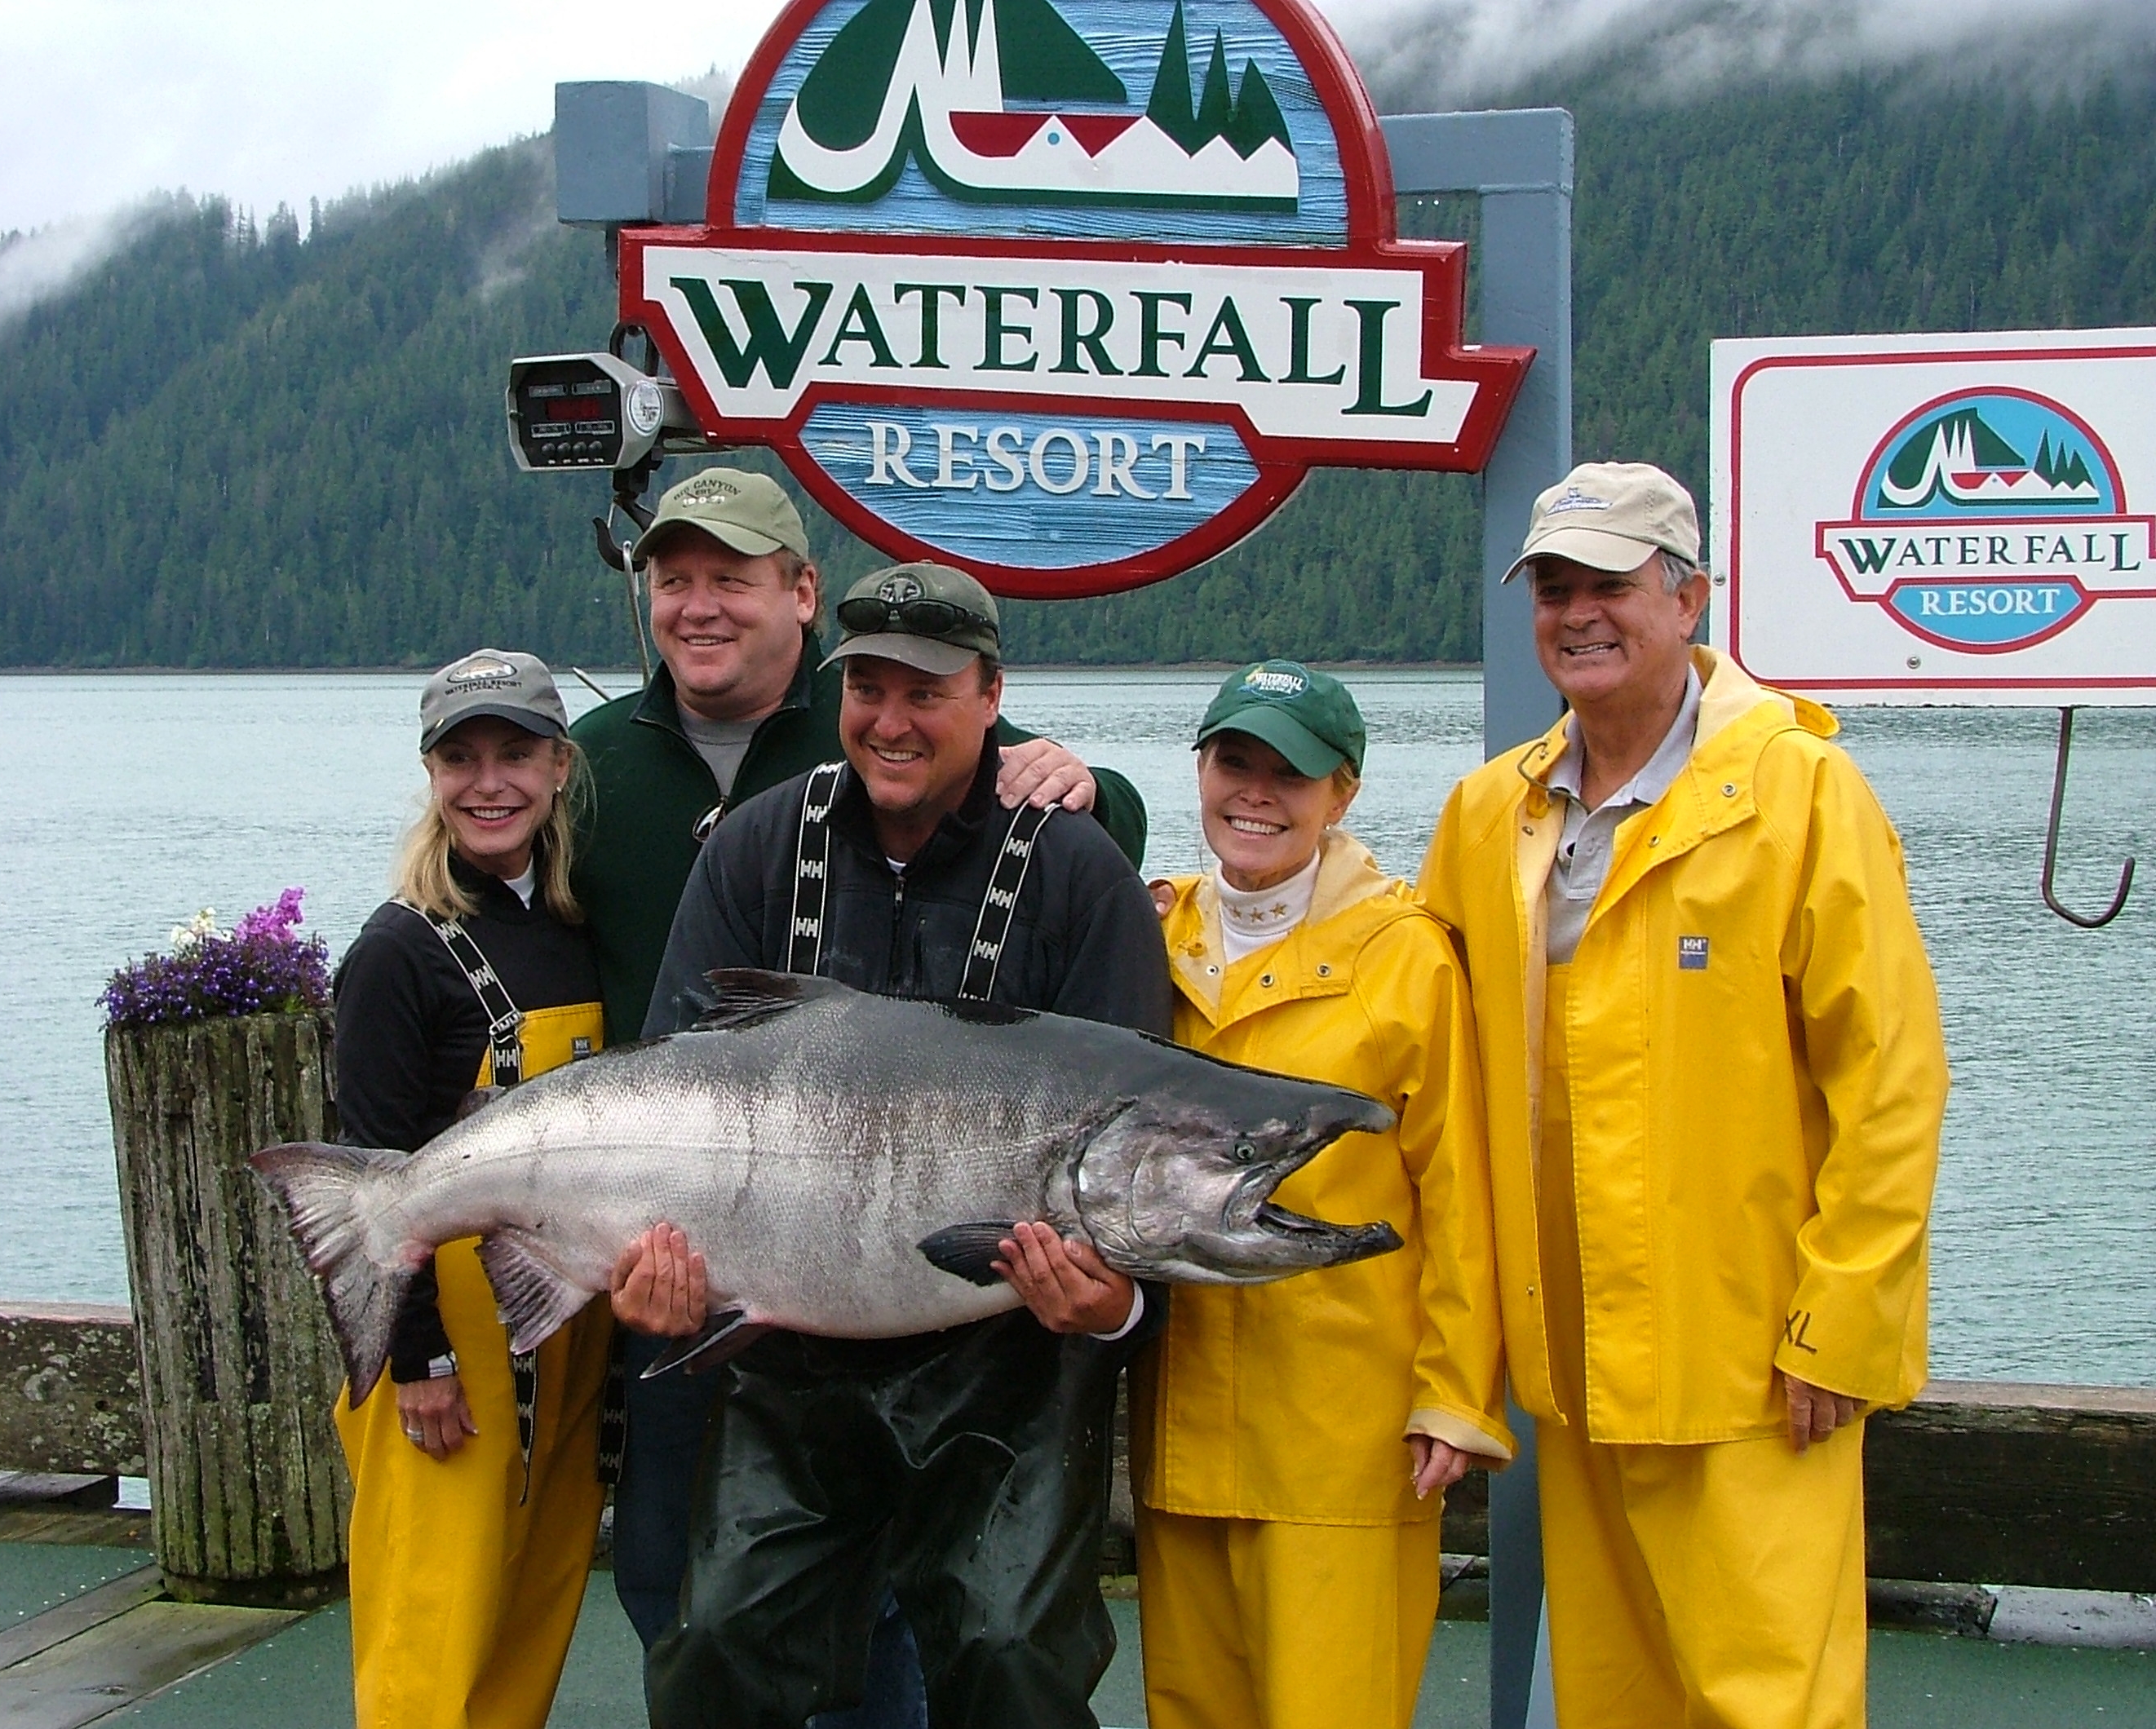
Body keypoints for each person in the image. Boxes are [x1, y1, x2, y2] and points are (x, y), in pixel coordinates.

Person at [566, 467, 1149, 1699]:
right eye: (870, 688)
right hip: (784, 1363)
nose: (892, 720)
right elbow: (674, 1080)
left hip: (1010, 1364)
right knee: (712, 1647)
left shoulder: (1079, 871)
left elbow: (1137, 1144)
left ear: (992, 698)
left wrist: (1115, 1303)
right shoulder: (755, 847)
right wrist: (656, 1270)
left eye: (927, 693)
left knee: (1006, 1654)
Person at [1417, 462, 1947, 1727]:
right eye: (1554, 588)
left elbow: (1890, 1076)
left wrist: (1843, 1323)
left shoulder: (1802, 791)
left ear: (1689, 598)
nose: (1578, 614)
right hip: (1572, 1370)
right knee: (1615, 1701)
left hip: (1752, 1367)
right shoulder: (1489, 812)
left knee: (1772, 1704)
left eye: (1611, 583)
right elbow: (1409, 1026)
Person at [1132, 661, 1510, 1729]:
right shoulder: (1154, 932)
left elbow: (1463, 1191)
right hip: (1181, 1437)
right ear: (1200, 771)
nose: (1256, 794)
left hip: (1342, 1444)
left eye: (1291, 775)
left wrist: (1455, 1393)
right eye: (1234, 763)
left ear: (1343, 793)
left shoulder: (1407, 957)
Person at [328, 648, 613, 1729]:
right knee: (431, 1631)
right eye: (461, 760)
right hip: (448, 1340)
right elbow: (370, 1176)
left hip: (564, 1319)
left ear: (558, 767)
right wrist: (418, 1362)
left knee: (530, 1617)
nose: (489, 784)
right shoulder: (396, 953)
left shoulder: (575, 930)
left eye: (514, 756)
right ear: (431, 774)